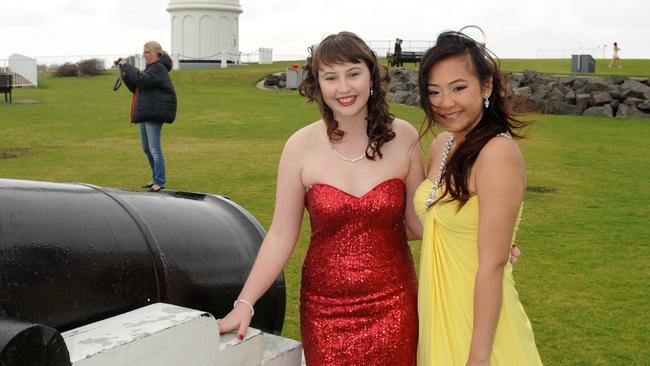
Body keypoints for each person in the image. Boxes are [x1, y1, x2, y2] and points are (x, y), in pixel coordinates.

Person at [217, 31, 424, 365]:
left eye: (353, 73)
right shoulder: (299, 146)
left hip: (394, 303)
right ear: (318, 85)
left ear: (371, 75)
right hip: (326, 310)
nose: (343, 88)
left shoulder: (405, 138)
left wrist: (484, 235)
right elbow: (282, 234)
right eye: (331, 77)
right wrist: (245, 303)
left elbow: (418, 224)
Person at [414, 31, 542, 365]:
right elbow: (432, 222)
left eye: (458, 87)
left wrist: (478, 357)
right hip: (438, 308)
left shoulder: (498, 153)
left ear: (486, 87)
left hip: (480, 325)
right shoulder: (441, 145)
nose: (445, 102)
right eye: (434, 91)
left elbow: (491, 264)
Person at [118, 41, 177, 192]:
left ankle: (159, 180)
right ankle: (155, 177)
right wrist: (125, 74)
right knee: (147, 148)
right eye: (144, 52)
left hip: (154, 113)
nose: (145, 55)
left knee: (154, 149)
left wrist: (127, 66)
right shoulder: (151, 69)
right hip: (146, 112)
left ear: (157, 54)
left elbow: (141, 80)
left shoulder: (158, 68)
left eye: (147, 52)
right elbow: (137, 87)